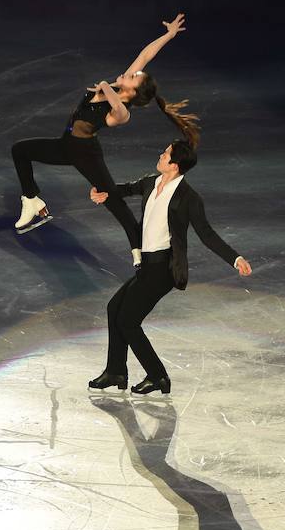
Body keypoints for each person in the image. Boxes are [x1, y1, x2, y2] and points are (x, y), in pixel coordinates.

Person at [11, 14, 200, 267]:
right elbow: (145, 56)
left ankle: (138, 248)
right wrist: (169, 35)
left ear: (132, 92)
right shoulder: (121, 86)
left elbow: (117, 108)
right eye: (133, 74)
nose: (129, 73)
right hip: (64, 146)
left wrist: (105, 85)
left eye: (133, 78)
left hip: (85, 154)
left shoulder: (121, 111)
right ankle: (32, 200)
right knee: (20, 150)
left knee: (112, 201)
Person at [87, 139, 252, 394]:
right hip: (146, 265)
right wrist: (102, 191)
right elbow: (124, 189)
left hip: (164, 269)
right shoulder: (151, 183)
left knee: (128, 321)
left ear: (174, 165)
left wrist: (235, 258)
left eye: (165, 154)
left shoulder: (188, 198)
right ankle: (115, 371)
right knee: (114, 309)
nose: (161, 155)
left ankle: (157, 376)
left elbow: (206, 234)